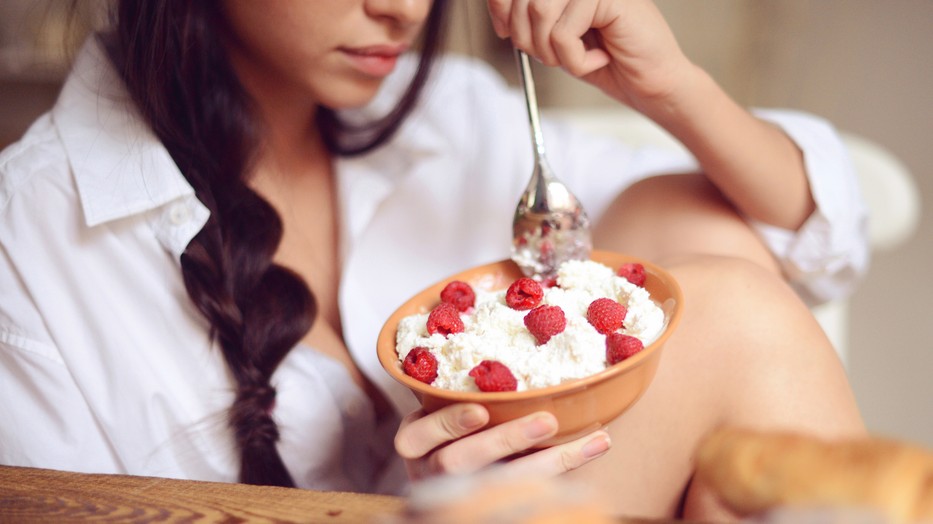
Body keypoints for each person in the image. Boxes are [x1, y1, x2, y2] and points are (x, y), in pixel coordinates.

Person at [0, 0, 867, 520]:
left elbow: (810, 232)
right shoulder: (31, 237)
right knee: (734, 318)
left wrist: (670, 86)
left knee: (704, 243)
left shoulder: (454, 118)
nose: (404, 7)